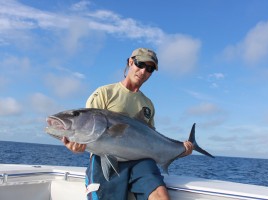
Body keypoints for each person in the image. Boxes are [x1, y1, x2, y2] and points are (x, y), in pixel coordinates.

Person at [62, 48, 193, 200]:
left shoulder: (148, 104)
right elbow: (86, 128)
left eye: (149, 69)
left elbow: (153, 140)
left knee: (161, 196)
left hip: (140, 161)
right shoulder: (104, 93)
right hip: (106, 159)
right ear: (130, 62)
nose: (143, 71)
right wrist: (76, 146)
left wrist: (181, 150)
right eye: (140, 64)